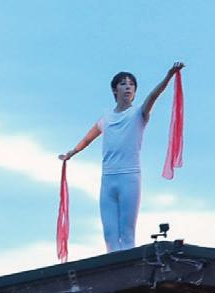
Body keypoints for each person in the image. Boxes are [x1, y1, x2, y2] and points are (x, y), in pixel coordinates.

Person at [60, 64, 183, 252]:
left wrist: (168, 76)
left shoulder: (139, 114)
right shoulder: (106, 118)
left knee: (127, 234)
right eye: (123, 84)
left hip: (129, 177)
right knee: (109, 235)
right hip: (108, 179)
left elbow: (153, 96)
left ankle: (130, 268)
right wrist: (71, 153)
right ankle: (114, 267)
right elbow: (87, 139)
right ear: (114, 90)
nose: (128, 87)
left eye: (131, 84)